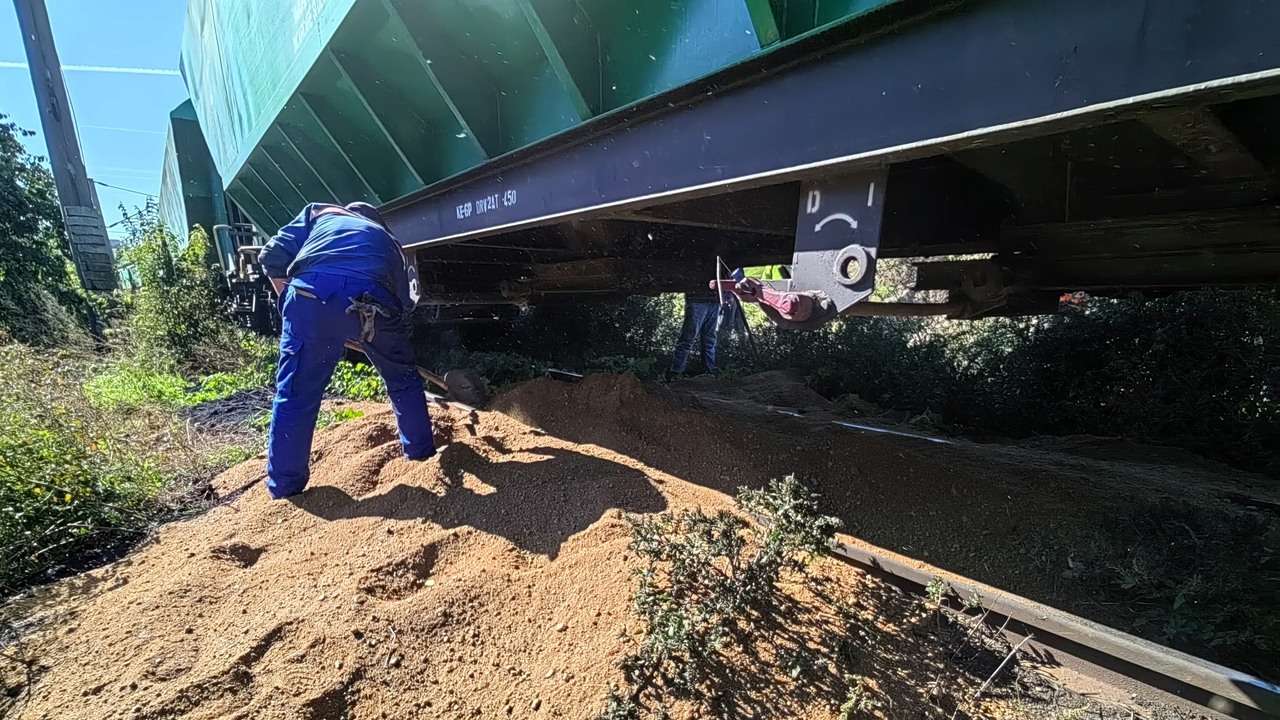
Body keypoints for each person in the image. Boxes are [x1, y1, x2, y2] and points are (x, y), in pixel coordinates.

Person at [257, 202, 435, 500]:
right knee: (403, 380)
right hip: (376, 299)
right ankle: (421, 454)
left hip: (310, 293)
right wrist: (385, 347)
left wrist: (291, 304)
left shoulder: (319, 213)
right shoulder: (388, 241)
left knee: (295, 395)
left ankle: (285, 489)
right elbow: (403, 308)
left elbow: (271, 257)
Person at [666, 284, 734, 381]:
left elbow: (728, 275)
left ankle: (709, 372)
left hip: (714, 300)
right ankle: (676, 373)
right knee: (688, 338)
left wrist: (728, 294)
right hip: (698, 299)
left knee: (709, 339)